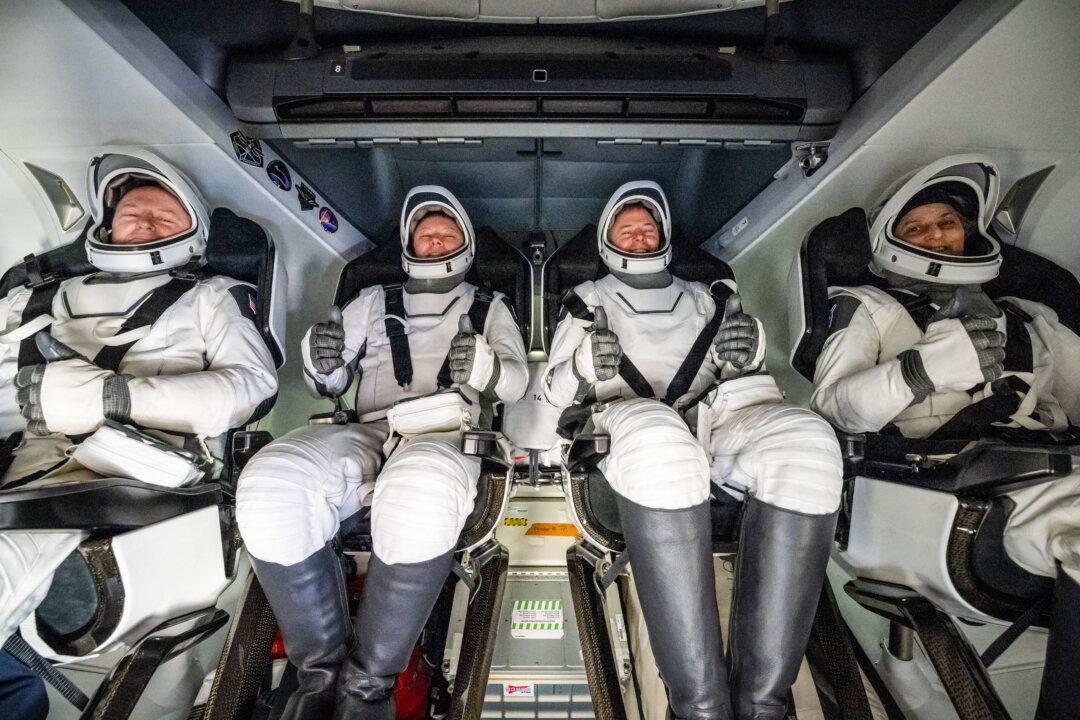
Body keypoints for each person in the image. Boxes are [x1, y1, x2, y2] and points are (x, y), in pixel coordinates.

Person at [544, 181, 843, 720]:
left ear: (665, 236)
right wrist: (582, 366)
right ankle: (698, 707)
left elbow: (734, 373)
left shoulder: (708, 298)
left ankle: (762, 704)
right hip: (623, 425)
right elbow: (549, 395)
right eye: (627, 230)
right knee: (662, 438)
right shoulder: (586, 303)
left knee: (808, 441)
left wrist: (747, 353)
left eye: (647, 228)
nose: (639, 237)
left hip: (711, 423)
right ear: (607, 241)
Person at [0, 150, 279, 717]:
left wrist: (114, 398)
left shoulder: (212, 295)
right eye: (133, 213)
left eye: (165, 215)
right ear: (106, 225)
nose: (148, 223)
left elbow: (252, 387)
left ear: (194, 233)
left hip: (130, 484)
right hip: (21, 473)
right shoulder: (29, 299)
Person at [236, 186, 528, 720]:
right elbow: (328, 381)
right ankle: (318, 676)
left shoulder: (490, 307)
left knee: (419, 487)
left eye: (446, 233)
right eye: (425, 233)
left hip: (447, 432)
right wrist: (322, 359)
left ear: (465, 245)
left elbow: (515, 382)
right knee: (272, 480)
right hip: (371, 428)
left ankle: (368, 689)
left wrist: (484, 366)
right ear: (408, 245)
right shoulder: (371, 301)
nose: (435, 241)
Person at [810, 155, 1080, 719]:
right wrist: (919, 370)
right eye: (917, 227)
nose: (936, 235)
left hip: (1050, 466)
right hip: (951, 489)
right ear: (889, 241)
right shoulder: (867, 307)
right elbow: (834, 406)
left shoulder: (1029, 318)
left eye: (947, 223)